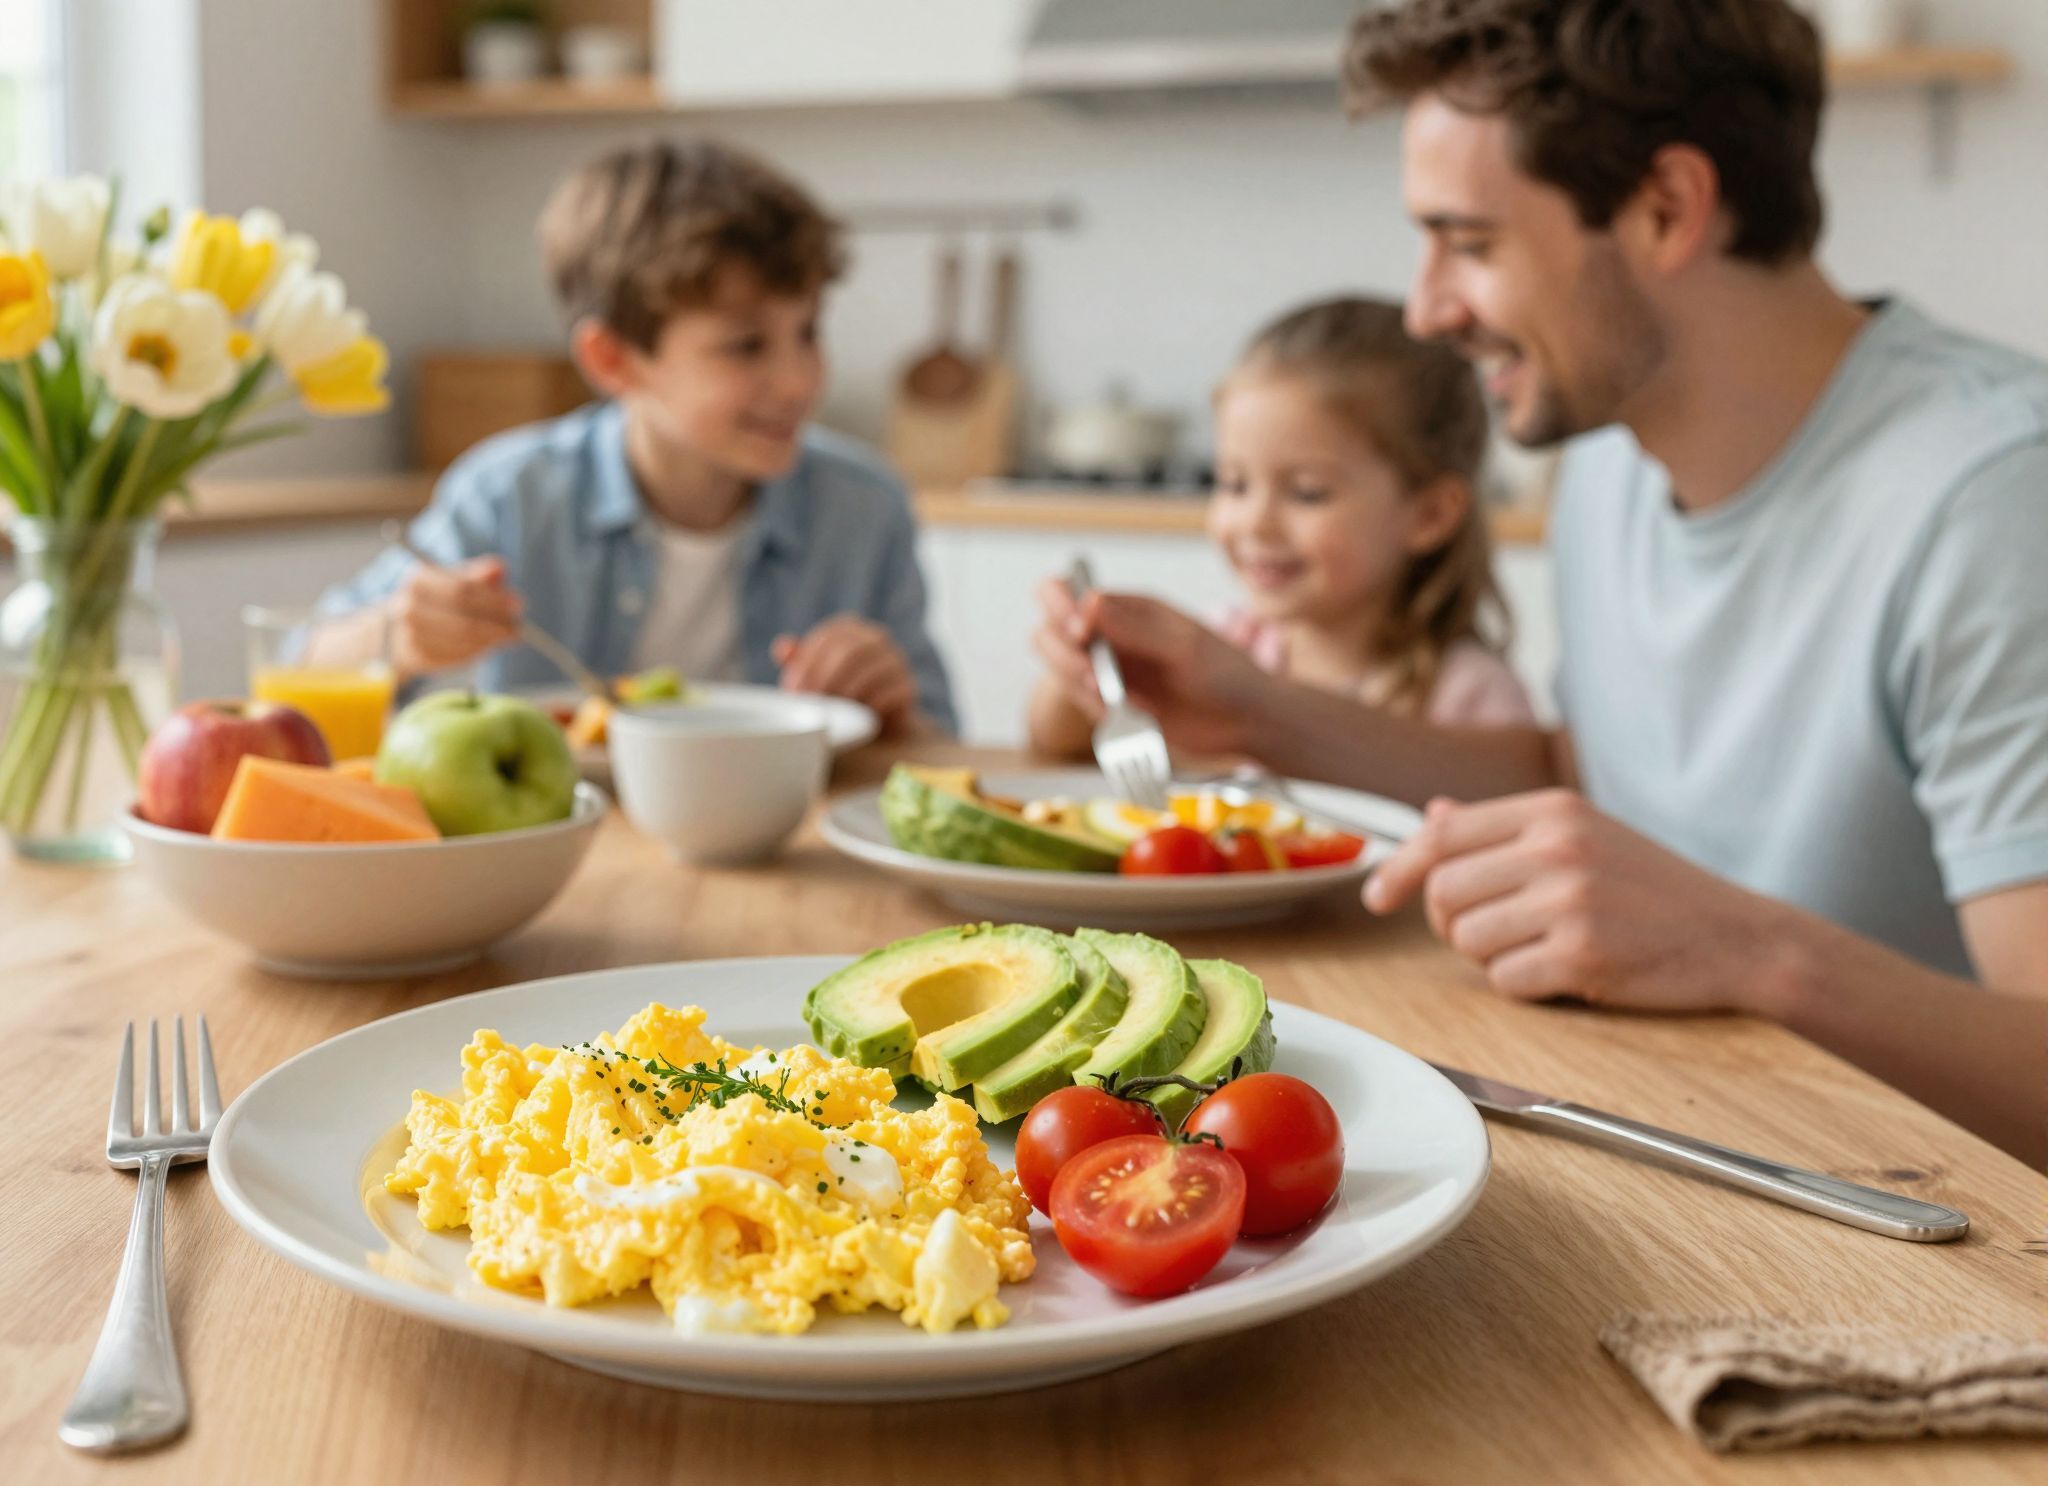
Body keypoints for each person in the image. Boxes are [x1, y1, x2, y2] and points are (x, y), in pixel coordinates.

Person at [1033, 0, 2048, 1163]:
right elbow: (1584, 778)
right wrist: (1249, 707)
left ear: (1666, 208)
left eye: (1468, 244)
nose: (1427, 309)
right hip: (1684, 1131)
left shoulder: (1991, 501)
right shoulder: (1609, 457)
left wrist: (1752, 953)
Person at [310, 138, 957, 736]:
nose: (798, 381)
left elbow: (941, 742)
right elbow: (304, 668)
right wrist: (399, 636)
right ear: (613, 359)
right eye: (746, 346)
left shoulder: (864, 509)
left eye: (808, 332)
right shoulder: (513, 495)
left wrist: (893, 709)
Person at [1028, 296, 1532, 759]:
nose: (1255, 523)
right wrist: (1093, 671)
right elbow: (1053, 742)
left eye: (1307, 492)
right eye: (1234, 484)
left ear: (1430, 515)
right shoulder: (1226, 646)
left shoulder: (1470, 696)